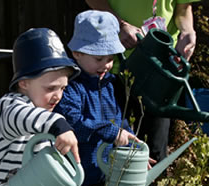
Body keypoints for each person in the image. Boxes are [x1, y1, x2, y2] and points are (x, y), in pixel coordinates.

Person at [0, 28, 81, 186]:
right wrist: (60, 125)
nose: (58, 95)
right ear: (24, 82)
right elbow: (23, 116)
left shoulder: (44, 115)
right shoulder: (9, 106)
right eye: (51, 88)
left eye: (63, 88)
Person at [85, 0, 200, 163]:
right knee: (111, 142)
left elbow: (183, 7)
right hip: (115, 64)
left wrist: (188, 30)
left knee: (155, 148)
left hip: (159, 67)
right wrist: (118, 24)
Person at [53, 10, 141, 186]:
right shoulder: (72, 88)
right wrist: (110, 132)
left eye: (111, 58)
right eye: (100, 58)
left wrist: (134, 150)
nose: (107, 65)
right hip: (80, 177)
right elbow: (74, 123)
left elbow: (119, 120)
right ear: (76, 54)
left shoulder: (110, 83)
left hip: (108, 174)